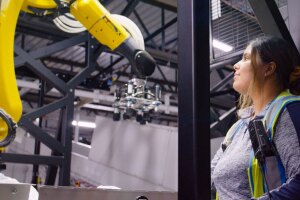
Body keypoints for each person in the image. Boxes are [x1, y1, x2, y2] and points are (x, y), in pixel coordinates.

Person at [211, 36, 300, 200]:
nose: (236, 65)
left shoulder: (287, 111)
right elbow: (210, 179)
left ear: (268, 69)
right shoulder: (237, 128)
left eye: (245, 58)